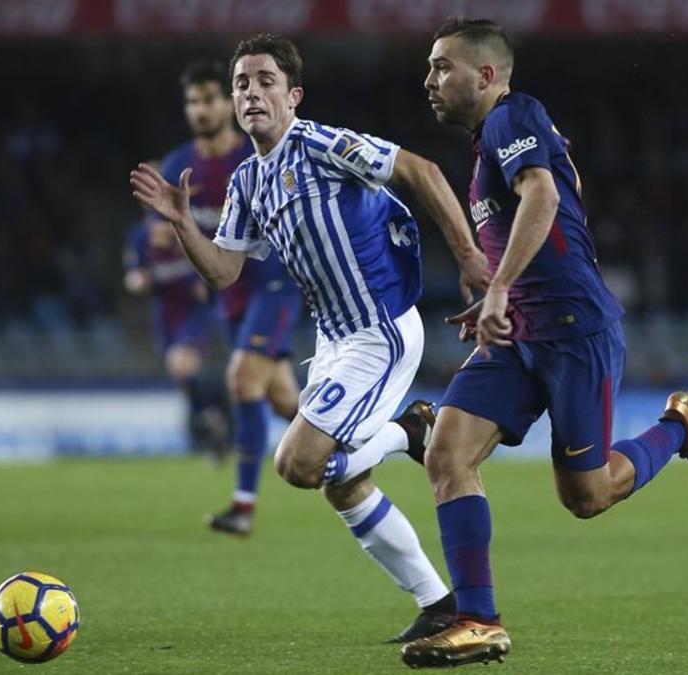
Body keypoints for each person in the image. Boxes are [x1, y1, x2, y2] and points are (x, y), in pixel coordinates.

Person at [130, 34, 493, 643]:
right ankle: (438, 603)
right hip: (332, 343)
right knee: (342, 484)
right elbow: (222, 271)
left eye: (265, 81)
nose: (251, 93)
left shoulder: (320, 144)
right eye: (242, 83)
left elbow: (420, 170)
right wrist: (182, 222)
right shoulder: (247, 181)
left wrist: (468, 258)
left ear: (293, 96)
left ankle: (409, 431)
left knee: (298, 463)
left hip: (379, 331)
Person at [399, 18, 688, 668]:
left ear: (486, 75)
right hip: (519, 332)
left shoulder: (511, 117)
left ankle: (678, 427)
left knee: (588, 494)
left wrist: (499, 290)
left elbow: (543, 195)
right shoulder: (489, 143)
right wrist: (499, 297)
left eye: (443, 67)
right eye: (430, 67)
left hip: (575, 331)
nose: (429, 80)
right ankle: (478, 621)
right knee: (447, 452)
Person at [152, 59, 309, 536]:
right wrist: (170, 234)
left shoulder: (258, 154)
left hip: (275, 283)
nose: (202, 109)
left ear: (230, 102)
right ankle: (359, 454)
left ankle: (243, 506)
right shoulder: (180, 165)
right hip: (232, 295)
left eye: (210, 99)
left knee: (242, 379)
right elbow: (179, 230)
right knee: (285, 401)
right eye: (193, 101)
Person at [123, 213, 226, 452]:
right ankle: (213, 409)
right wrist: (137, 281)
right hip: (166, 312)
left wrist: (207, 285)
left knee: (181, 364)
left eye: (162, 228)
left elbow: (216, 266)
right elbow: (133, 275)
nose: (157, 235)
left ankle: (208, 415)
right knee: (181, 374)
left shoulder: (191, 234)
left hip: (193, 310)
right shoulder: (140, 238)